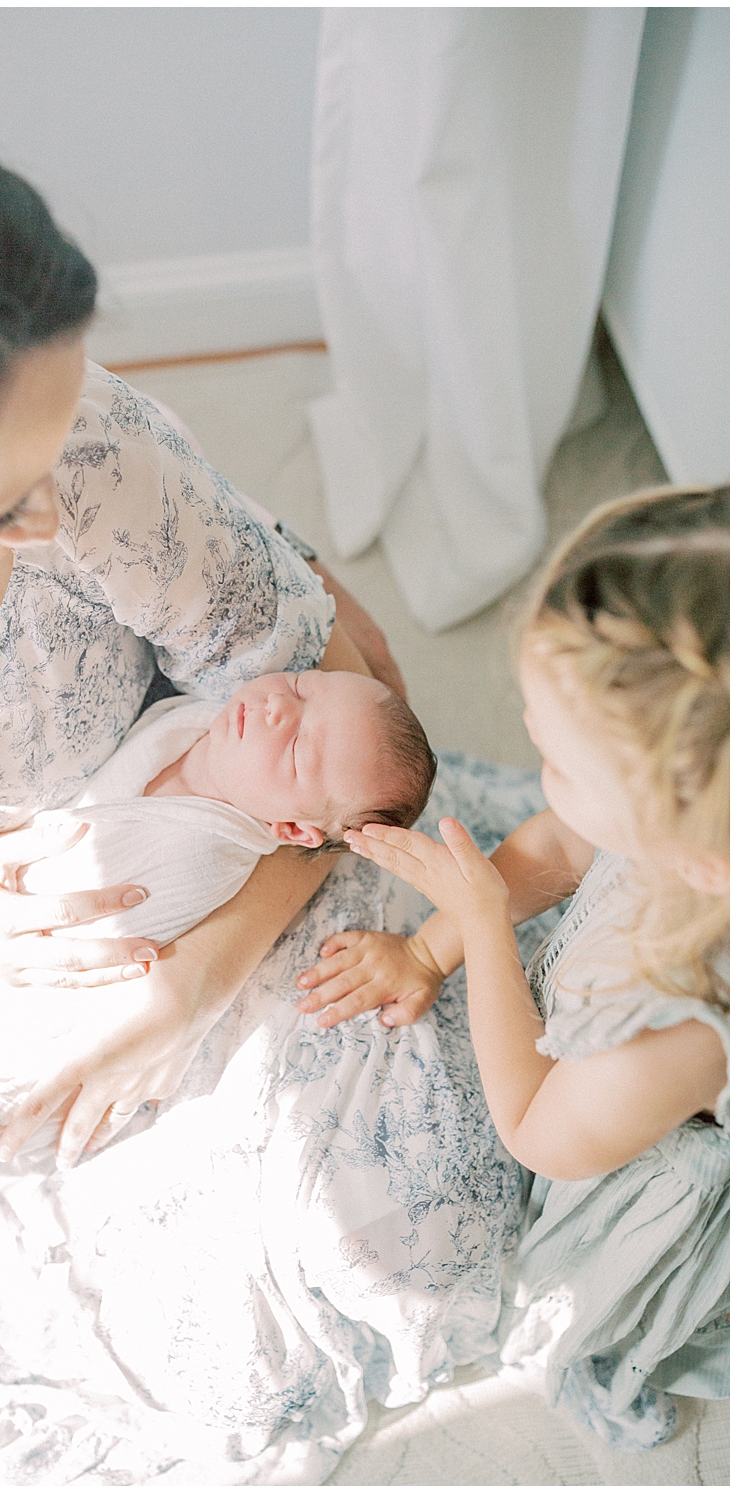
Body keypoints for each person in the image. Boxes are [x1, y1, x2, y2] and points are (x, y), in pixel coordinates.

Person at [0, 73, 552, 1485]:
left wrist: (188, 984)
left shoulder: (80, 451)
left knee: (409, 1215)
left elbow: (341, 698)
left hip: (212, 858)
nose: (47, 506)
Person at [343, 486, 729, 1449]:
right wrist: (427, 949)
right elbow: (565, 839)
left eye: (556, 757)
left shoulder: (684, 1020)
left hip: (635, 1139)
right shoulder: (692, 831)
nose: (531, 753)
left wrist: (478, 917)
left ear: (689, 847)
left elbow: (539, 1129)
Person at [0, 669, 435, 1184]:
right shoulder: (198, 724)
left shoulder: (198, 861)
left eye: (294, 751)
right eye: (302, 687)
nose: (277, 710)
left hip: (2, 1004)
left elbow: (95, 948)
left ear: (292, 831)